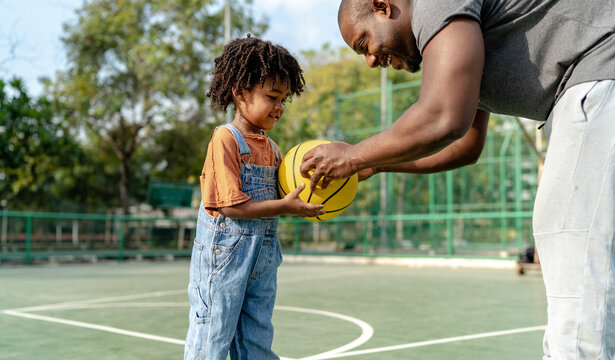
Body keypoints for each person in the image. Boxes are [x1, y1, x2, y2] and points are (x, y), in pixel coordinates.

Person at [299, 0, 615, 359]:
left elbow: (444, 116)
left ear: (382, 6)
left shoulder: (434, 4)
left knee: (566, 231)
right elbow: (464, 144)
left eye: (363, 44)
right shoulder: (459, 32)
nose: (371, 61)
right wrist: (373, 164)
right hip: (596, 83)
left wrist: (354, 154)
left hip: (601, 75)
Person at [184, 35, 325, 360]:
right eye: (272, 96)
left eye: (283, 100)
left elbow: (284, 196)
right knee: (213, 335)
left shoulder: (273, 149)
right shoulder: (226, 138)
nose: (279, 107)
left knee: (257, 338)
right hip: (225, 256)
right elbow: (232, 206)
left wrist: (308, 193)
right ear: (240, 92)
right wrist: (287, 206)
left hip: (262, 255)